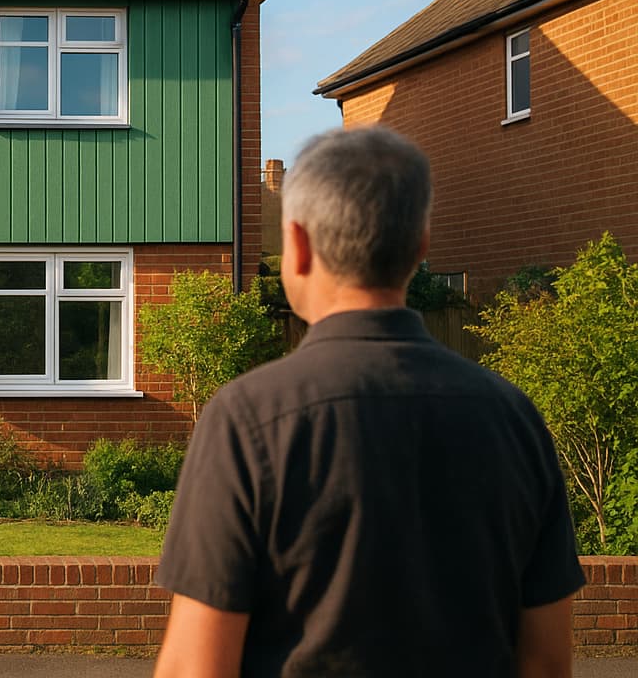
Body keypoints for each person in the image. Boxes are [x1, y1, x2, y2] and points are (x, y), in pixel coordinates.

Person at [154, 126, 584, 677]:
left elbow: (196, 668)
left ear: (299, 245)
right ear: (421, 244)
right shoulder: (514, 417)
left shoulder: (248, 419)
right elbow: (547, 664)